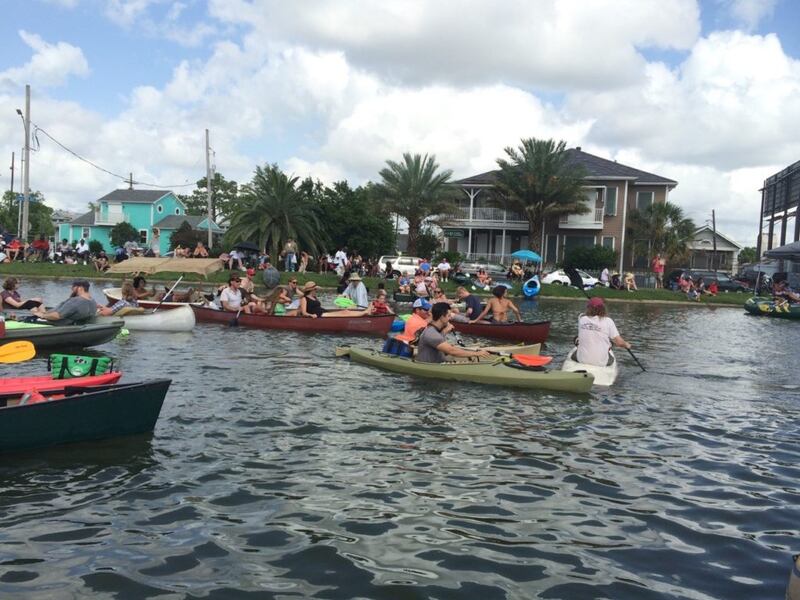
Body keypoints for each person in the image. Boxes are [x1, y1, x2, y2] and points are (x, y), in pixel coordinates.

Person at [416, 302, 492, 364]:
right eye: (449, 316)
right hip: (431, 367)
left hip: (439, 362)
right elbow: (451, 351)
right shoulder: (431, 333)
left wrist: (445, 331)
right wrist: (476, 354)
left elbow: (439, 341)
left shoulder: (435, 331)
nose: (450, 318)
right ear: (442, 317)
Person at [575, 297, 631, 367]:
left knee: (575, 352)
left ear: (588, 308)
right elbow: (619, 343)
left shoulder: (582, 319)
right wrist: (626, 345)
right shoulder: (608, 321)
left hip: (582, 360)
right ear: (603, 308)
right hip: (600, 363)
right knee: (611, 358)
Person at [30, 280, 97, 325]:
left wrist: (43, 315)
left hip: (57, 323)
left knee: (28, 318)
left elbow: (57, 316)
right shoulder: (93, 302)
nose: (72, 289)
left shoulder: (75, 301)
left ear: (80, 288)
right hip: (75, 324)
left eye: (73, 287)